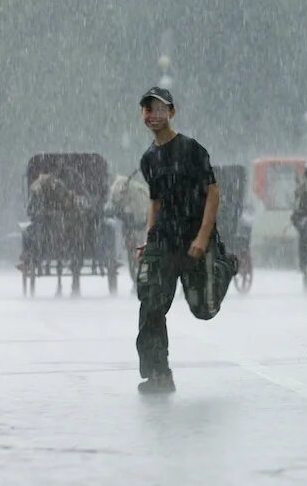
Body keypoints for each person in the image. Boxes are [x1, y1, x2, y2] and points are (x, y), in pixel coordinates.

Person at [135, 86, 237, 394]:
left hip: (194, 240)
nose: (153, 115)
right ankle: (158, 374)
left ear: (172, 112)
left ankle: (225, 266)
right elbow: (155, 202)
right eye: (147, 109)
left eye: (159, 108)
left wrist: (203, 238)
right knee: (151, 304)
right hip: (164, 242)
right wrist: (149, 239)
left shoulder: (192, 149)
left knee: (203, 309)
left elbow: (213, 192)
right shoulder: (148, 159)